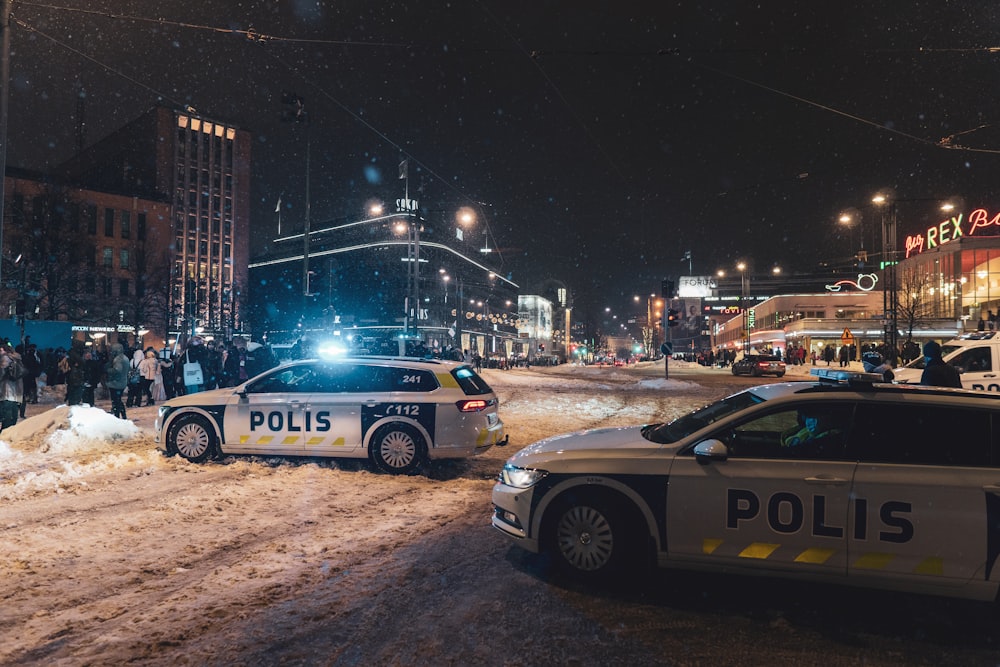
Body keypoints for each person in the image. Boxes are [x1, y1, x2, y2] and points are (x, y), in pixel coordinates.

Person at [0, 342, 24, 431]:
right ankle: (11, 428)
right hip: (17, 388)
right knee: (13, 409)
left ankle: (6, 429)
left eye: (1, 350)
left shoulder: (5, 358)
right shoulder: (16, 357)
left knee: (7, 409)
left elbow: (1, 373)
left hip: (7, 388)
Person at [104, 343, 130, 419]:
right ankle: (123, 415)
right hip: (122, 381)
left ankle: (117, 415)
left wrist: (108, 370)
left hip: (116, 383)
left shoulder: (118, 359)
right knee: (118, 400)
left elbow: (117, 370)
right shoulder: (125, 358)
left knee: (116, 401)